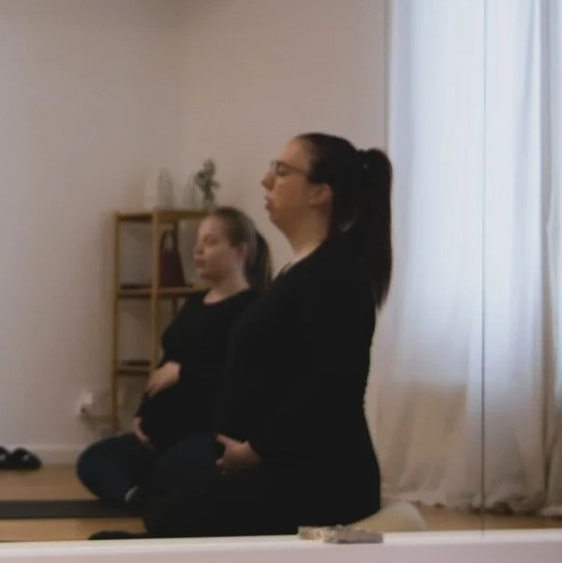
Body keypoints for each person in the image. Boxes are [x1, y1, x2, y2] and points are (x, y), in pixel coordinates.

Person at [143, 134, 393, 539]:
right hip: (272, 461)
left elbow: (330, 388)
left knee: (171, 514)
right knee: (162, 498)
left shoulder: (338, 276)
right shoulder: (299, 271)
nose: (265, 180)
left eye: (281, 171)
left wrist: (257, 449)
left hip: (317, 476)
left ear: (319, 193)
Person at [77, 208, 268, 510]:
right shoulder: (193, 303)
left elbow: (241, 375)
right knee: (93, 461)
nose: (198, 249)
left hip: (205, 436)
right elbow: (166, 363)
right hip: (159, 437)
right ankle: (140, 498)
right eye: (197, 242)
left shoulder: (253, 309)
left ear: (240, 251)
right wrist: (142, 413)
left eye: (210, 241)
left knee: (175, 470)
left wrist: (184, 373)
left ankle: (157, 493)